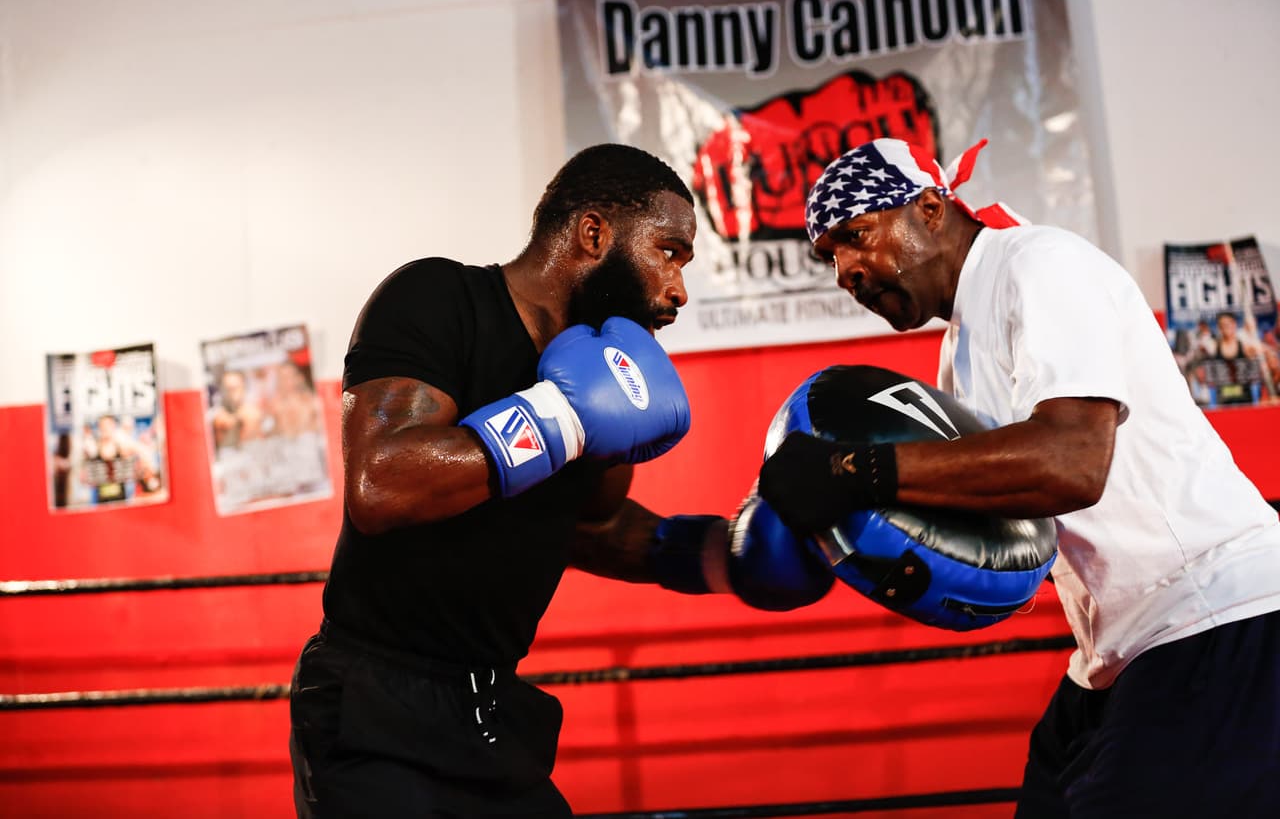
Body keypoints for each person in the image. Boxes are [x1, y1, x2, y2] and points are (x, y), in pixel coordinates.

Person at [288, 143, 831, 818]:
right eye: (668, 251)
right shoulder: (439, 298)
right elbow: (380, 484)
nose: (678, 289)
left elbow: (592, 525)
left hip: (490, 711)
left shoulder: (608, 371)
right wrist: (558, 415)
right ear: (594, 233)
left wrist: (725, 557)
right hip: (375, 705)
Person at [756, 137, 1280, 818]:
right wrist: (839, 531)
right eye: (831, 256)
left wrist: (854, 471)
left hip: (1218, 611)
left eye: (856, 237)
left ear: (932, 207)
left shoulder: (1040, 265)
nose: (846, 272)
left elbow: (1071, 461)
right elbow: (1006, 528)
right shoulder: (958, 352)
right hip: (1115, 647)